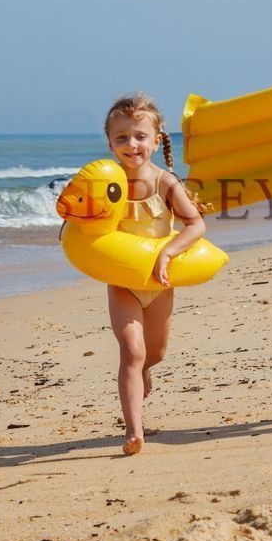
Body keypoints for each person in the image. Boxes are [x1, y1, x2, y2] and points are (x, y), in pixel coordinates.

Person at [103, 93, 206, 454]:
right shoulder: (105, 182)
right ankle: (134, 430)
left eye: (140, 136)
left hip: (159, 281)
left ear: (157, 140)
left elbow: (196, 225)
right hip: (123, 282)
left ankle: (146, 369)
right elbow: (83, 222)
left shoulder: (165, 183)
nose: (131, 144)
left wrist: (168, 252)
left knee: (155, 353)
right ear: (110, 143)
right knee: (132, 351)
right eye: (121, 137)